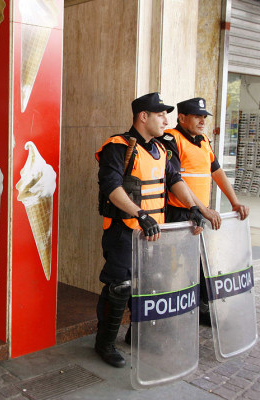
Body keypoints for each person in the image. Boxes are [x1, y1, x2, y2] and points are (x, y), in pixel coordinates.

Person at [94, 92, 205, 368]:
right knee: (120, 287)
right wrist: (139, 213)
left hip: (155, 233)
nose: (165, 120)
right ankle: (105, 343)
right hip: (124, 230)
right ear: (143, 117)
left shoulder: (162, 149)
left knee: (151, 285)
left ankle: (137, 336)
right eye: (160, 115)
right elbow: (111, 187)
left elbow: (174, 180)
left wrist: (194, 207)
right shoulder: (118, 146)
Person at [158, 97, 250, 325]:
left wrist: (234, 201)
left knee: (201, 262)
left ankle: (201, 309)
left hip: (200, 213)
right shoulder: (171, 138)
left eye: (204, 117)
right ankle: (166, 314)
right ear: (182, 118)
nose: (202, 121)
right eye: (197, 116)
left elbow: (217, 173)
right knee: (173, 265)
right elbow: (175, 180)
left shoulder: (204, 141)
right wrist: (203, 209)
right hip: (179, 212)